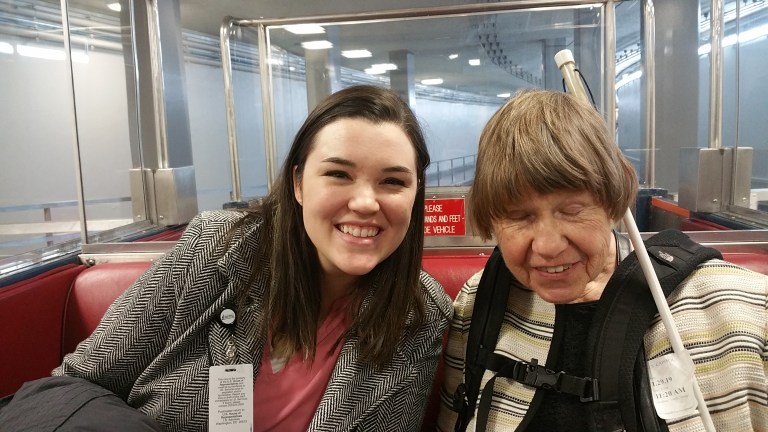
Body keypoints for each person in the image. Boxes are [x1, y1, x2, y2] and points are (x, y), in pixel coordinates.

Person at [51, 85, 453, 431]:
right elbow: (80, 384)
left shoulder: (417, 315)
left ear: (416, 194)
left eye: (393, 182)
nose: (366, 202)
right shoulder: (217, 248)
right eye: (338, 174)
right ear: (298, 183)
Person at [437, 89, 768, 431]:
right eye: (519, 217)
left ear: (612, 201)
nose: (549, 246)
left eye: (572, 210)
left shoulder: (745, 309)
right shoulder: (482, 301)